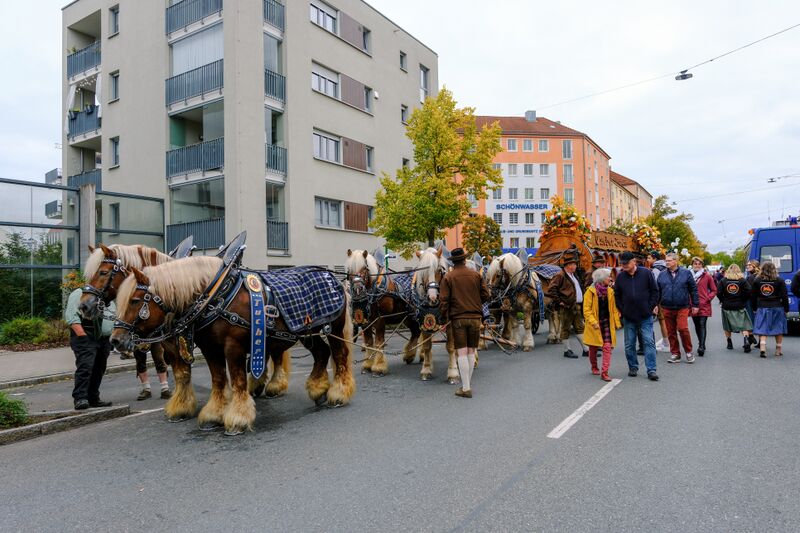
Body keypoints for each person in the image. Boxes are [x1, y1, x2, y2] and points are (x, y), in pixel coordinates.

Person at [439, 247, 490, 398]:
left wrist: (443, 319)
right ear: (464, 259)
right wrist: (475, 301)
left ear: (453, 262)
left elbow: (443, 302)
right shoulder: (476, 275)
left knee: (461, 352)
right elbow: (486, 295)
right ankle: (467, 384)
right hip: (475, 318)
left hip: (458, 318)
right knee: (471, 351)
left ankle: (466, 388)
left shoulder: (448, 277)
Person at [64, 288, 115, 410]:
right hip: (86, 335)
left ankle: (93, 398)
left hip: (104, 339)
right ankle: (80, 398)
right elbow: (72, 316)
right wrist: (82, 336)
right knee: (85, 367)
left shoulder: (105, 296)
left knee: (99, 368)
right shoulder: (79, 293)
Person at [613, 251, 660, 380]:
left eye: (626, 263)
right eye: (622, 264)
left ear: (634, 261)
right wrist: (622, 309)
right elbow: (617, 295)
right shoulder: (621, 277)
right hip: (629, 316)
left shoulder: (646, 273)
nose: (624, 266)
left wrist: (650, 307)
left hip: (645, 315)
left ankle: (651, 370)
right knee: (629, 344)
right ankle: (633, 367)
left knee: (648, 342)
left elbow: (655, 291)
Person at [657, 252, 700, 364]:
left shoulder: (686, 273)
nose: (667, 262)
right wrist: (655, 305)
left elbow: (693, 290)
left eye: (669, 260)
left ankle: (689, 352)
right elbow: (658, 291)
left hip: (682, 306)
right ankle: (675, 353)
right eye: (666, 260)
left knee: (682, 328)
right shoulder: (662, 275)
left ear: (676, 261)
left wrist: (695, 304)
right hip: (666, 307)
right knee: (670, 331)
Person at [545, 251, 589, 359]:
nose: (575, 266)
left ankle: (586, 350)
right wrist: (560, 301)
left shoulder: (573, 275)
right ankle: (567, 350)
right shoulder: (560, 275)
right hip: (566, 307)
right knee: (565, 328)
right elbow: (551, 290)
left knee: (580, 328)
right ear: (568, 266)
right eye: (574, 264)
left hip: (575, 306)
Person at [582, 268, 621, 382]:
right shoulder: (590, 292)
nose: (611, 278)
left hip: (607, 323)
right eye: (609, 276)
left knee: (607, 347)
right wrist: (594, 322)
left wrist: (617, 322)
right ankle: (594, 366)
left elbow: (613, 309)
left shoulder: (610, 291)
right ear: (602, 279)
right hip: (594, 323)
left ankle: (604, 372)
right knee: (593, 347)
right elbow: (586, 310)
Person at [750, 261, 789, 358]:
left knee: (762, 327)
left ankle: (762, 347)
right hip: (777, 307)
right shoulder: (779, 280)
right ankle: (778, 349)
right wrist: (786, 309)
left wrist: (754, 308)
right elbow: (784, 296)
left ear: (762, 269)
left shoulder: (757, 280)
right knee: (778, 328)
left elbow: (753, 296)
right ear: (774, 269)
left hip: (762, 306)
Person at [717, 264, 753, 352]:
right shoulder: (742, 280)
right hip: (739, 305)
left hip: (727, 305)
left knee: (727, 325)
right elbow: (749, 291)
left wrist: (723, 300)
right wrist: (743, 299)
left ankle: (729, 343)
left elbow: (718, 293)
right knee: (744, 325)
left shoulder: (723, 281)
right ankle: (746, 340)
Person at [689, 257, 717, 356]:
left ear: (702, 265)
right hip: (692, 305)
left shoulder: (707, 276)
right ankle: (701, 342)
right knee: (697, 325)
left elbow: (714, 290)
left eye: (699, 264)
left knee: (702, 324)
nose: (697, 265)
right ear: (692, 265)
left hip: (704, 304)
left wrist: (707, 298)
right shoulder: (689, 275)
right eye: (695, 263)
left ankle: (701, 346)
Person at [646, 250, 670, 352]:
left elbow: (654, 286)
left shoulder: (656, 269)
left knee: (662, 320)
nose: (647, 260)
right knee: (669, 320)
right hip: (669, 296)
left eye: (649, 258)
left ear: (655, 259)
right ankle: (670, 343)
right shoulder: (667, 266)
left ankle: (666, 343)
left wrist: (654, 301)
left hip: (660, 298)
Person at [744, 260, 760, 346]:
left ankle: (750, 337)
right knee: (759, 320)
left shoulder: (751, 277)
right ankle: (760, 341)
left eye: (750, 265)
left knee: (750, 320)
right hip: (759, 300)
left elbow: (749, 291)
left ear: (755, 266)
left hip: (751, 301)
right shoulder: (760, 275)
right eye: (747, 265)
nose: (748, 266)